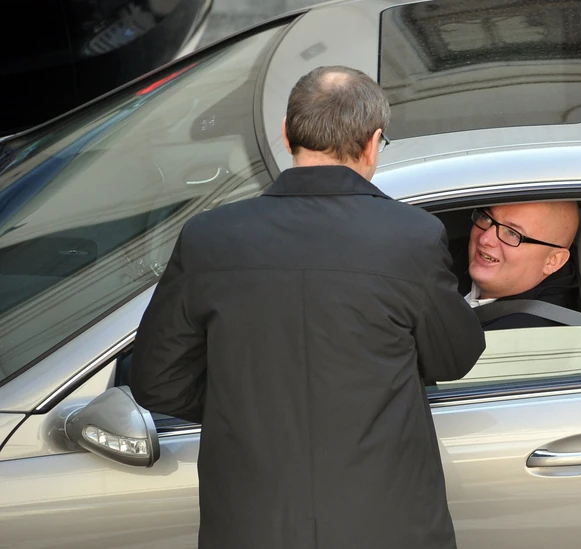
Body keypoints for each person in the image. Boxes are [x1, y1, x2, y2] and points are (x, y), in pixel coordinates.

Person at [128, 66, 485, 549]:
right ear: (373, 142)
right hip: (385, 522)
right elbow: (453, 358)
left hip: (251, 523)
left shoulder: (208, 237)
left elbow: (157, 380)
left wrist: (242, 406)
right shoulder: (412, 237)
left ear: (286, 133)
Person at [451, 202, 580, 330]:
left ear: (552, 261)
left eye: (512, 233)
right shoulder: (451, 253)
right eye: (486, 218)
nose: (485, 239)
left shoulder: (529, 334)